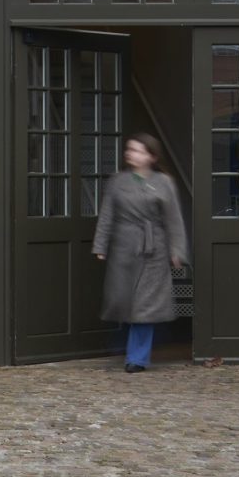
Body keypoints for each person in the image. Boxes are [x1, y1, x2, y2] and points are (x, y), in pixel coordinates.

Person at [92, 132, 189, 373]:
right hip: (123, 249)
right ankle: (122, 347)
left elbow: (174, 219)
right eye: (129, 149)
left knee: (145, 305)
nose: (131, 154)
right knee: (123, 302)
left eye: (137, 150)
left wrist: (177, 250)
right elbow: (107, 215)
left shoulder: (164, 182)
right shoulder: (117, 181)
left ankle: (137, 358)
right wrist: (100, 246)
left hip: (153, 249)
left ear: (152, 156)